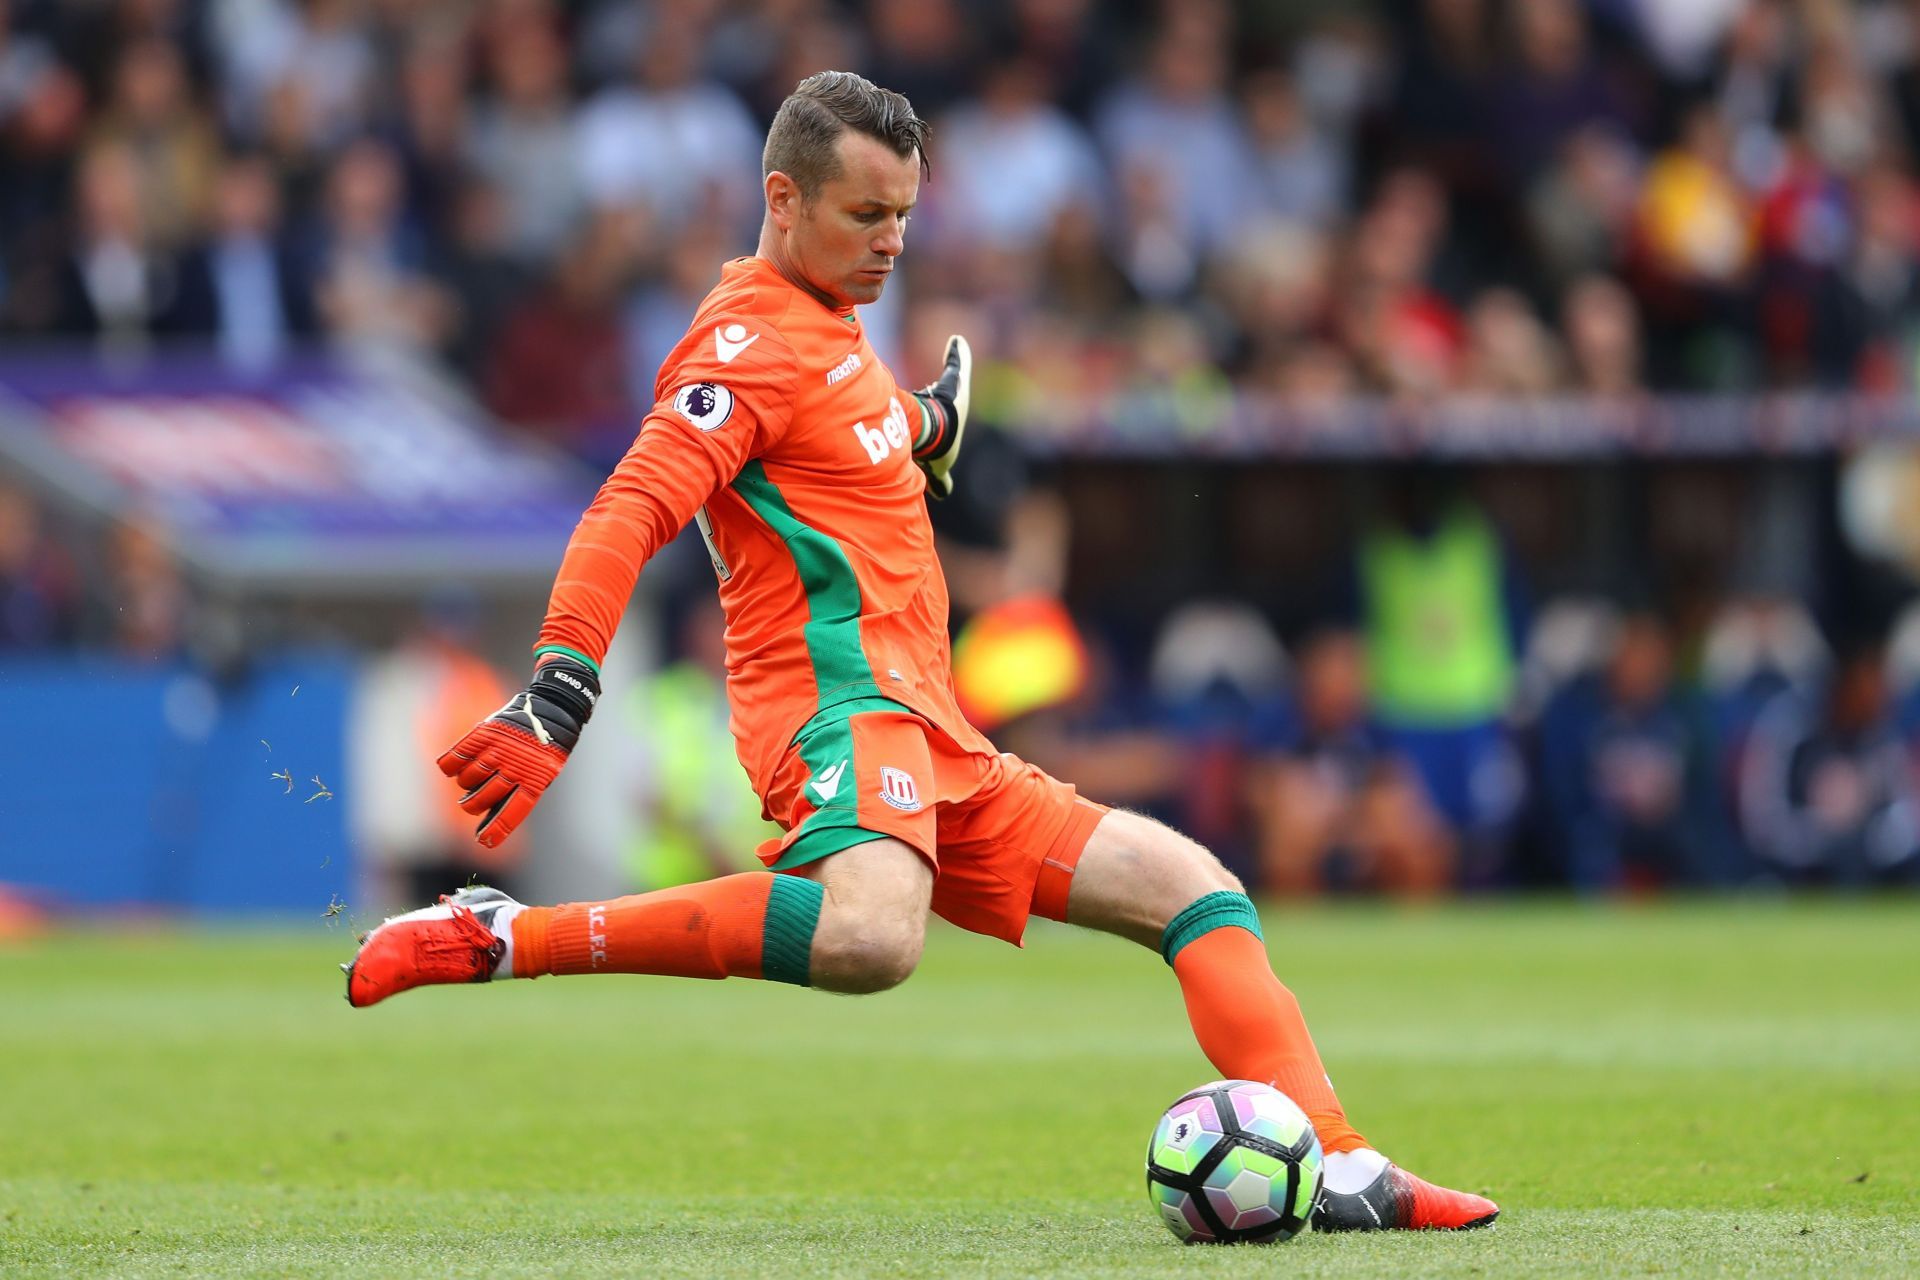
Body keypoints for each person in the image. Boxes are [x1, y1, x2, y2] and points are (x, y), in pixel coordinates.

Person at [341, 71, 1497, 1234]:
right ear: (782, 199)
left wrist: (926, 425)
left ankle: (1345, 1162)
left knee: (1195, 888)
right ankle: (507, 934)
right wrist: (559, 684)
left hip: (936, 730)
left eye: (905, 214)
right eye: (865, 215)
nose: (892, 242)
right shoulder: (740, 345)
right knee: (870, 933)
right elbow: (632, 503)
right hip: (834, 711)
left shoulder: (836, 332)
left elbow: (855, 424)